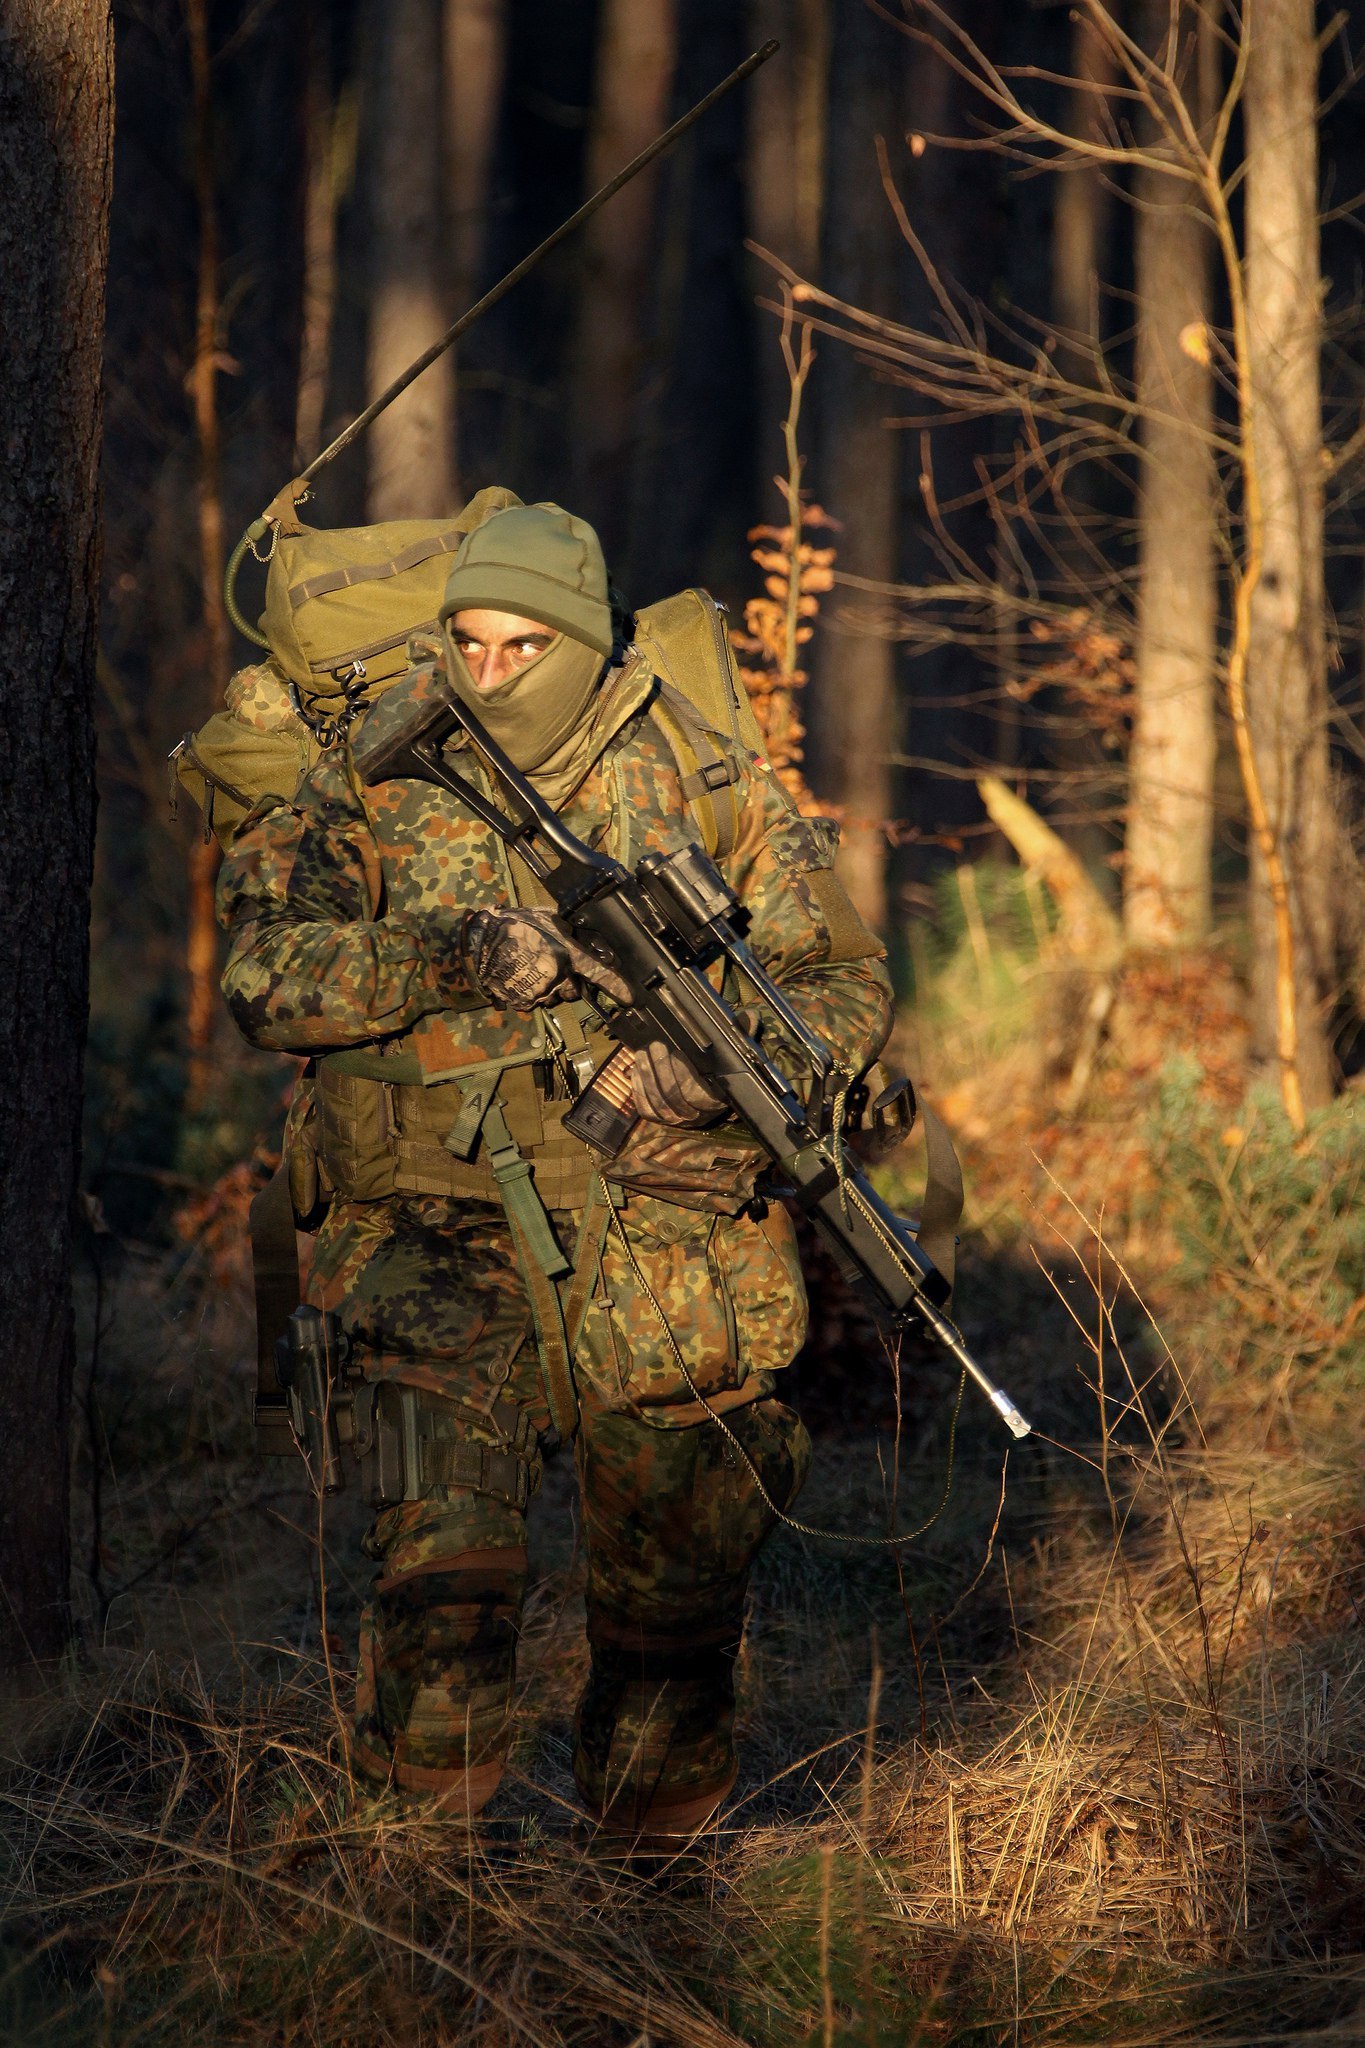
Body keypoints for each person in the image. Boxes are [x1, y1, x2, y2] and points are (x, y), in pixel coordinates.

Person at [217, 499, 893, 1840]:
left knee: (672, 1614)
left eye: (522, 647)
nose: (484, 674)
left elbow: (840, 978)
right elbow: (260, 971)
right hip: (424, 1243)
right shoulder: (366, 767)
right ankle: (417, 1922)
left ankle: (647, 1922)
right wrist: (455, 953)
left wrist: (708, 1066)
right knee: (437, 1598)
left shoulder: (701, 772)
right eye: (465, 642)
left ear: (583, 643)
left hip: (665, 1242)